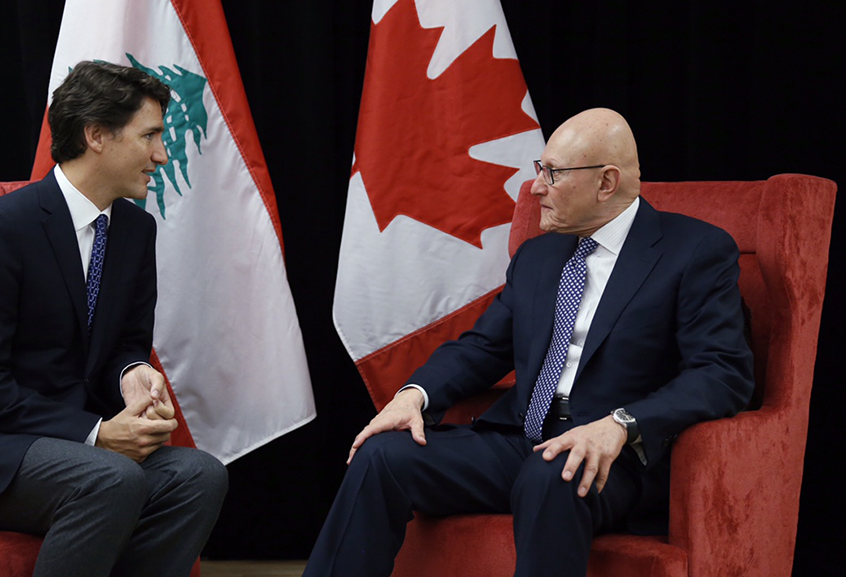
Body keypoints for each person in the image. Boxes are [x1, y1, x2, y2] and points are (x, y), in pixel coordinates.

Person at [304, 108, 754, 577]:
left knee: (554, 473)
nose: (536, 187)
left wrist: (621, 424)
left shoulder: (696, 251)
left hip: (611, 458)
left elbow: (722, 373)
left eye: (552, 173)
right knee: (383, 454)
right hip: (521, 441)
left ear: (606, 182)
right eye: (540, 170)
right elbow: (483, 348)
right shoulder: (539, 255)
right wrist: (413, 395)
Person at [0, 61, 228, 577]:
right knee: (109, 478)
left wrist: (131, 374)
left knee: (200, 475)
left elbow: (123, 345)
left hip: (69, 446)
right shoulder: (0, 228)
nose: (162, 155)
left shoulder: (135, 231)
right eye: (149, 136)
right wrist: (96, 433)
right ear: (97, 135)